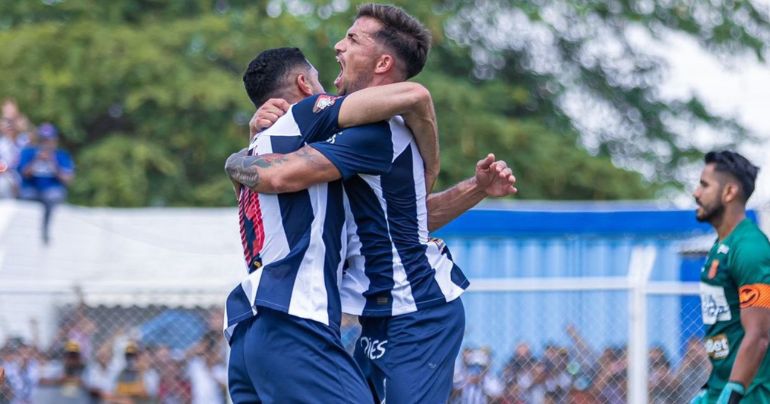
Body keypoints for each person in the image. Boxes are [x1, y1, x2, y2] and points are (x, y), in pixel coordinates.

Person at [237, 4, 516, 402]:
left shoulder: (375, 130)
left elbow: (278, 176)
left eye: (352, 39)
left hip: (418, 312)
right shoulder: (358, 128)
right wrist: (475, 188)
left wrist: (240, 160)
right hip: (380, 315)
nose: (338, 47)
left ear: (383, 62)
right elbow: (409, 221)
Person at [224, 47, 443, 403]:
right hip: (294, 322)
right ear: (303, 83)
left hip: (247, 335)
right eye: (319, 81)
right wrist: (430, 169)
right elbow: (412, 95)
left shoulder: (254, 149)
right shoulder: (304, 113)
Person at [690, 150, 770, 403]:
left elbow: (759, 334)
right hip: (720, 389)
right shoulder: (721, 246)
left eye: (704, 185)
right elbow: (727, 333)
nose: (696, 193)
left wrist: (733, 392)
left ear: (729, 192)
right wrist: (710, 389)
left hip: (750, 395)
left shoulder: (750, 248)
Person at [17, 123, 75, 244]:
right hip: (32, 190)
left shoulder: (61, 155)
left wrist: (52, 163)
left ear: (55, 140)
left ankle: (46, 231)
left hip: (51, 191)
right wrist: (36, 160)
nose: (45, 143)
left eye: (48, 140)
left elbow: (68, 179)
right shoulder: (28, 153)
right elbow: (23, 174)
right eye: (42, 140)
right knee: (24, 197)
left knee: (53, 196)